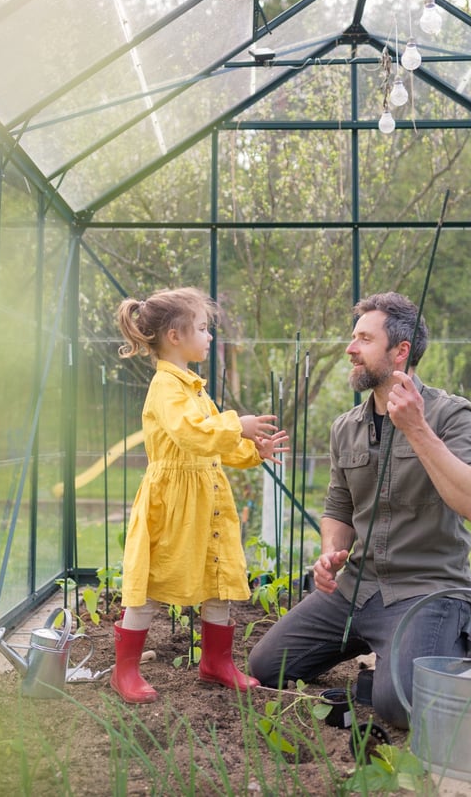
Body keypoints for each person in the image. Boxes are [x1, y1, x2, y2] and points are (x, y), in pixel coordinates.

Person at [248, 291, 471, 728]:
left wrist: (417, 429)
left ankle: (462, 635)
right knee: (267, 666)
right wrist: (330, 552)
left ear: (400, 352)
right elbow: (339, 507)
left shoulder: (450, 415)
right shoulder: (345, 428)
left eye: (364, 339)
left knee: (398, 706)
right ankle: (390, 652)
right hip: (355, 590)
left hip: (426, 589)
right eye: (353, 338)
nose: (350, 349)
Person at [112, 287, 289, 703]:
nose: (210, 337)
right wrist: (236, 424)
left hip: (205, 499)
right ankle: (125, 672)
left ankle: (217, 663)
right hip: (173, 505)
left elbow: (214, 443)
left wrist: (251, 450)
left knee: (217, 579)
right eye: (204, 328)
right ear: (175, 336)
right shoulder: (165, 387)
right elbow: (191, 434)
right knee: (154, 583)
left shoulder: (193, 387)